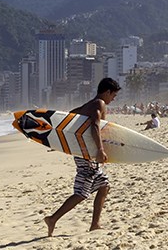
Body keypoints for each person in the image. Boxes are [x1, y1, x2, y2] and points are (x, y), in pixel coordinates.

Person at [44, 77, 121, 237]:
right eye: (113, 95)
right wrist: (99, 149)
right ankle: (53, 219)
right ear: (107, 92)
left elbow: (72, 114)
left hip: (86, 152)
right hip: (87, 154)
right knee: (82, 192)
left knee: (104, 186)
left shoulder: (90, 104)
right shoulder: (99, 104)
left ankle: (95, 224)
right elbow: (94, 126)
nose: (114, 98)